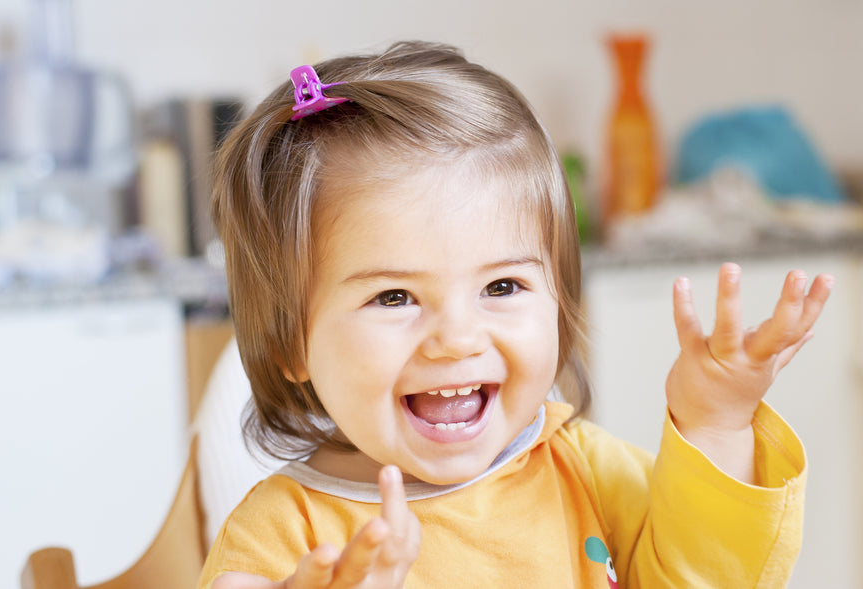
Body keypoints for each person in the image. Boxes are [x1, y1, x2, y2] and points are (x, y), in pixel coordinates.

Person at [198, 41, 833, 589]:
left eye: (502, 285)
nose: (457, 339)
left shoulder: (580, 465)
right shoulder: (282, 535)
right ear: (292, 343)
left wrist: (718, 421)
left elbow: (707, 573)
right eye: (394, 297)